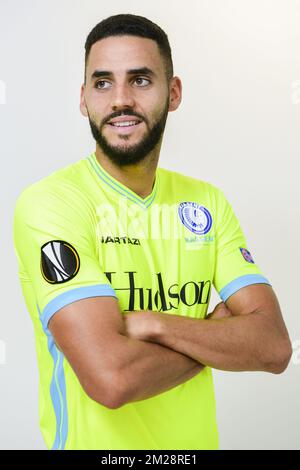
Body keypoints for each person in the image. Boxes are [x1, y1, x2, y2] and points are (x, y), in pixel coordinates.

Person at [13, 13, 292, 451]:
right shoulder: (52, 203)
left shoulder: (206, 202)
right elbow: (112, 379)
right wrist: (215, 335)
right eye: (102, 83)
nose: (120, 100)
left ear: (173, 92)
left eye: (140, 80)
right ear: (83, 98)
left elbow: (274, 347)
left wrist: (151, 324)